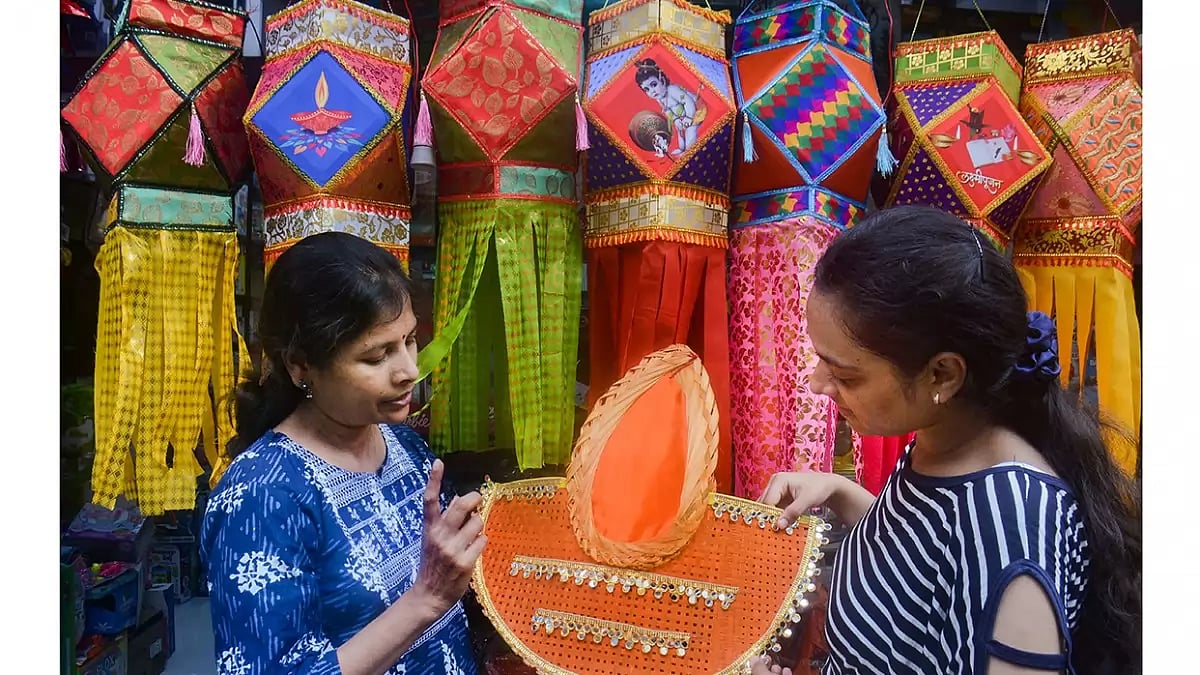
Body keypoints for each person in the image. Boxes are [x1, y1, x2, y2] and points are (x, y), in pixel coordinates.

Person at [751, 206, 1140, 675]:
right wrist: (840, 493)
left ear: (943, 374)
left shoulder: (1013, 532)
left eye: (845, 374)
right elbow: (923, 557)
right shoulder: (946, 442)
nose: (817, 384)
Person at [200, 232, 485, 675]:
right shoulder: (262, 498)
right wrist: (425, 599)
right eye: (376, 357)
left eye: (409, 341)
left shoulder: (406, 448)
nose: (409, 371)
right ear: (300, 365)